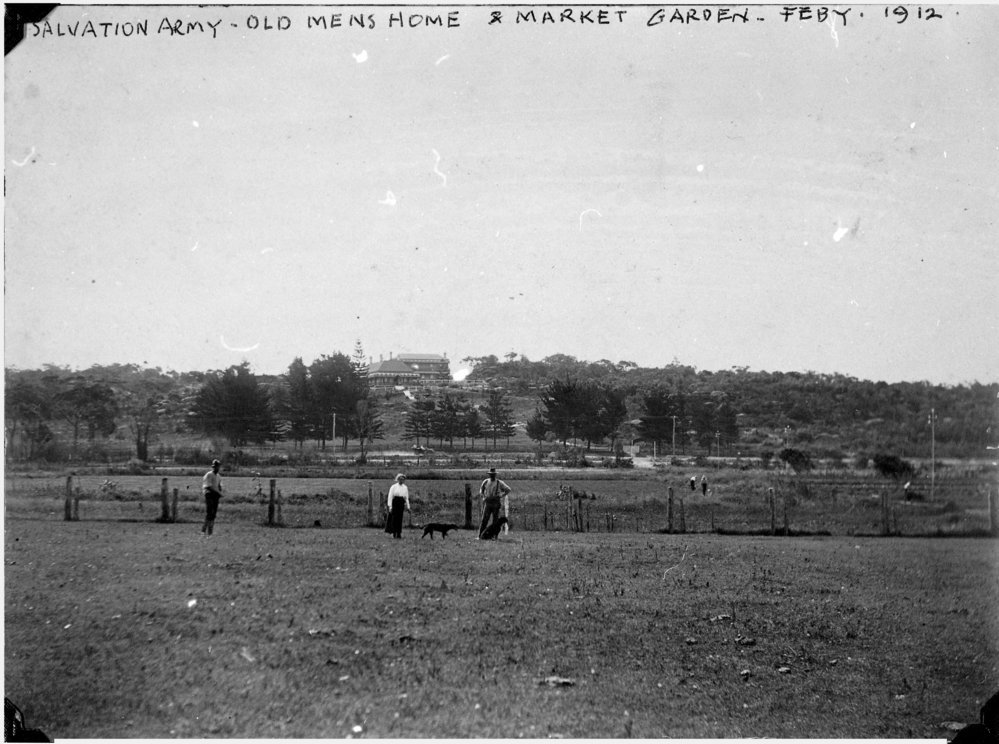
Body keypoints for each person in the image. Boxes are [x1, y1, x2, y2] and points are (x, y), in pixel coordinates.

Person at [478, 467, 511, 539]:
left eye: (493, 474)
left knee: (495, 521)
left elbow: (508, 489)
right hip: (488, 503)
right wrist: (484, 497)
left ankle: (494, 536)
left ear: (495, 474)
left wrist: (500, 496)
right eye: (491, 474)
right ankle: (480, 536)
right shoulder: (485, 482)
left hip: (496, 503)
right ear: (489, 474)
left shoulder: (499, 482)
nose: (492, 475)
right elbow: (481, 490)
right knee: (484, 520)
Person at [201, 459, 222, 536]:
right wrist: (218, 492)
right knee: (210, 513)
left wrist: (220, 491)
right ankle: (204, 530)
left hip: (215, 495)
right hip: (209, 494)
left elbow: (219, 485)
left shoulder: (218, 476)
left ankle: (210, 532)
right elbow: (208, 487)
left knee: (213, 514)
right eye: (215, 467)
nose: (216, 468)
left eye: (217, 466)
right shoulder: (209, 475)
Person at [386, 474, 410, 539]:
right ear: (397, 479)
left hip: (401, 503)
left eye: (403, 479)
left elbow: (406, 498)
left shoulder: (405, 487)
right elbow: (390, 497)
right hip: (395, 502)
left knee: (400, 519)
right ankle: (394, 533)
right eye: (400, 479)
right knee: (394, 519)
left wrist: (408, 507)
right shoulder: (393, 487)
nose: (401, 480)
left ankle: (399, 533)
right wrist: (390, 507)